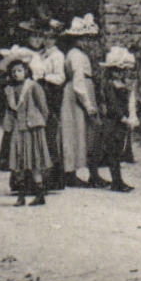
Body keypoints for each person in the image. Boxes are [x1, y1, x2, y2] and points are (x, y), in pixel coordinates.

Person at [57, 14, 103, 188]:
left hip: (85, 89)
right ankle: (71, 173)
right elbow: (78, 80)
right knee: (74, 132)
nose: (86, 42)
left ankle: (93, 173)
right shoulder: (75, 55)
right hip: (77, 94)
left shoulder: (81, 54)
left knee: (89, 133)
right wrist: (88, 104)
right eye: (82, 38)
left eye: (88, 39)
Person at [1, 52, 50, 207]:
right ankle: (21, 196)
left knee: (35, 162)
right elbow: (9, 110)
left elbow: (43, 107)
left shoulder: (33, 86)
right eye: (14, 72)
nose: (17, 74)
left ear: (26, 71)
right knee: (19, 163)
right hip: (17, 129)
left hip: (31, 129)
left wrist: (39, 121)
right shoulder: (9, 90)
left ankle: (40, 194)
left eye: (20, 71)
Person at [25, 18, 67, 191]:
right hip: (38, 93)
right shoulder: (41, 54)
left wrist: (44, 79)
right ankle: (35, 178)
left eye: (51, 37)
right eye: (45, 37)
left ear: (56, 39)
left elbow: (60, 77)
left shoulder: (57, 56)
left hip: (50, 94)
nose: (47, 40)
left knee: (49, 135)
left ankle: (52, 179)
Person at [93, 46, 141, 193]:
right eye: (117, 70)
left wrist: (133, 113)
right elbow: (113, 105)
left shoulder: (123, 85)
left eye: (122, 71)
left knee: (118, 151)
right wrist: (123, 117)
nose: (120, 73)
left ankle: (118, 180)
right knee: (113, 153)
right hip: (113, 122)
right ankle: (116, 181)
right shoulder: (110, 85)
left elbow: (131, 102)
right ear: (111, 71)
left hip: (119, 123)